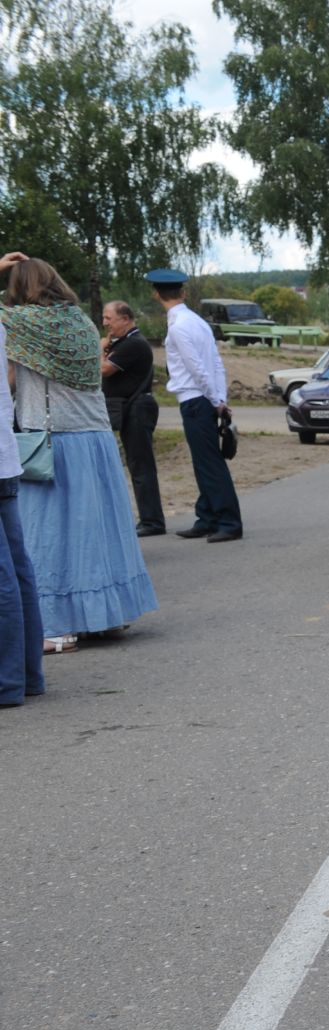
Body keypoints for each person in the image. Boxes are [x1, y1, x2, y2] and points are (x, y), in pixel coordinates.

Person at [1, 254, 158, 651]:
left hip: (53, 442)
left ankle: (54, 628)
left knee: (48, 537)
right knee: (96, 532)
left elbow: (12, 381)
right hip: (96, 438)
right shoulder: (81, 323)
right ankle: (105, 616)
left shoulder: (22, 325)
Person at [146, 267, 242, 542]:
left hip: (196, 400)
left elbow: (197, 368)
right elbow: (215, 363)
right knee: (204, 463)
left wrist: (215, 401)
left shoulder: (178, 327)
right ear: (183, 292)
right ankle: (208, 517)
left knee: (209, 464)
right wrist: (220, 398)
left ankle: (228, 522)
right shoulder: (197, 321)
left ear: (156, 295)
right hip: (206, 398)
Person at [0, 287, 46, 706]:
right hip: (5, 459)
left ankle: (7, 683)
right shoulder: (3, 322)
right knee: (17, 568)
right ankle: (27, 676)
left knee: (5, 576)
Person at [100, 300, 165, 536]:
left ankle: (152, 520)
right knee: (137, 464)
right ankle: (149, 518)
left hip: (138, 408)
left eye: (109, 318)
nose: (105, 323)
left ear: (125, 319)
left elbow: (103, 369)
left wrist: (99, 348)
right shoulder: (126, 342)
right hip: (132, 407)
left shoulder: (134, 344)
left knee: (141, 465)